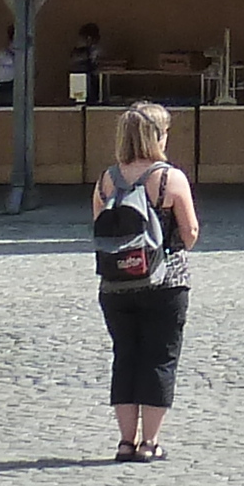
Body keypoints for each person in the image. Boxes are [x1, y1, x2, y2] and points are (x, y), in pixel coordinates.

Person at [89, 103, 199, 462]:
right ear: (158, 136)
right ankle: (150, 443)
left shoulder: (107, 180)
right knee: (159, 358)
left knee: (125, 357)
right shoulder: (170, 178)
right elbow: (190, 232)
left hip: (116, 284)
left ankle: (124, 441)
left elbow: (100, 229)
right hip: (165, 282)